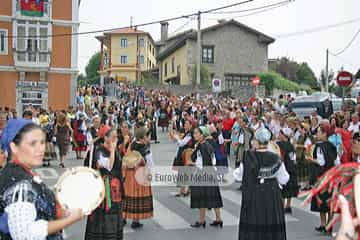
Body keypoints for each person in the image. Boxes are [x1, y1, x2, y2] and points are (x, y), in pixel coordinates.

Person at [0, 119, 84, 239]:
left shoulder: (21, 172)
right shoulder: (20, 184)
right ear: (14, 147)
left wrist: (59, 212)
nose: (40, 149)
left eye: (42, 142)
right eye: (32, 144)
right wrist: (70, 219)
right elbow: (25, 234)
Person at [238, 127, 289, 240]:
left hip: (254, 192)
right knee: (271, 220)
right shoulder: (276, 158)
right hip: (272, 193)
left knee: (254, 219)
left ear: (256, 141)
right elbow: (284, 179)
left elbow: (238, 175)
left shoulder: (249, 157)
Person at [84, 125, 124, 240]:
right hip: (104, 189)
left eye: (116, 137)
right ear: (105, 138)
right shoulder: (99, 151)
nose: (115, 139)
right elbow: (109, 166)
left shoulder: (112, 149)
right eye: (112, 137)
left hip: (115, 189)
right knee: (103, 215)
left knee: (114, 215)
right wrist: (113, 149)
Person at [190, 126, 223, 228]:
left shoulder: (202, 146)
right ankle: (218, 219)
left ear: (202, 135)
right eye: (194, 133)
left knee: (201, 196)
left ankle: (202, 220)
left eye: (196, 133)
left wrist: (194, 165)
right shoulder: (207, 145)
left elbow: (202, 162)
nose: (194, 135)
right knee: (213, 196)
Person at [122, 127, 154, 229]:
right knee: (138, 196)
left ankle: (123, 217)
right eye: (148, 136)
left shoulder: (132, 145)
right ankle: (135, 221)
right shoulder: (146, 147)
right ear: (144, 137)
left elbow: (126, 157)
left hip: (129, 174)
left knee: (128, 195)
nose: (149, 138)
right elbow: (149, 163)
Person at [309, 124, 337, 234]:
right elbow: (336, 160)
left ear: (325, 133)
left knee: (321, 200)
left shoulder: (319, 147)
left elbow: (321, 162)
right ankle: (329, 225)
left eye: (319, 132)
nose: (317, 134)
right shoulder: (332, 146)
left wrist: (311, 159)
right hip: (332, 176)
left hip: (322, 176)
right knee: (329, 201)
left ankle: (323, 224)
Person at [277, 128, 299, 214]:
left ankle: (282, 206)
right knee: (290, 186)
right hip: (291, 167)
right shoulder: (291, 145)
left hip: (283, 167)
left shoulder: (279, 144)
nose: (278, 135)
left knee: (282, 186)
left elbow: (279, 156)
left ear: (283, 135)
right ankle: (288, 206)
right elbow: (293, 157)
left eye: (280, 134)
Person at [170, 119, 194, 197]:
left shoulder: (190, 134)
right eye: (185, 123)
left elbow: (181, 143)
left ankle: (184, 190)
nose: (185, 125)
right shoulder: (187, 133)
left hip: (185, 156)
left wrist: (176, 137)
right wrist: (175, 138)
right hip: (182, 155)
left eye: (187, 124)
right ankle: (183, 190)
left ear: (191, 125)